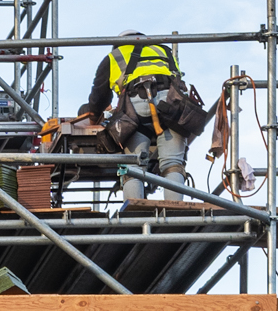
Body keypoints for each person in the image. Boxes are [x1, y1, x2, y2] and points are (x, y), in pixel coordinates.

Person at [85, 35, 211, 201]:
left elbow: (99, 97)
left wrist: (93, 119)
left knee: (134, 166)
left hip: (136, 105)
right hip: (171, 104)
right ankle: (175, 211)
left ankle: (135, 212)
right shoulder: (164, 50)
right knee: (172, 163)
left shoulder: (114, 56)